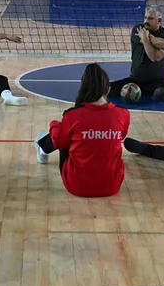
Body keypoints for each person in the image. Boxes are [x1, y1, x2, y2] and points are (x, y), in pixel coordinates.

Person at [34, 63, 131, 197]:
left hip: (76, 186)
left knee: (65, 135)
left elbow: (58, 143)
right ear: (108, 90)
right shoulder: (123, 114)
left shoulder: (72, 115)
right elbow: (121, 136)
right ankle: (43, 147)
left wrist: (54, 125)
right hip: (112, 186)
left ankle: (42, 148)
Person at [110, 5, 164, 102]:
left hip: (158, 83)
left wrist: (145, 38)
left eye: (150, 18)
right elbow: (154, 41)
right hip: (136, 80)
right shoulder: (138, 29)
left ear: (159, 20)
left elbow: (154, 57)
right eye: (145, 17)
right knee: (106, 89)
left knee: (158, 95)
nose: (146, 21)